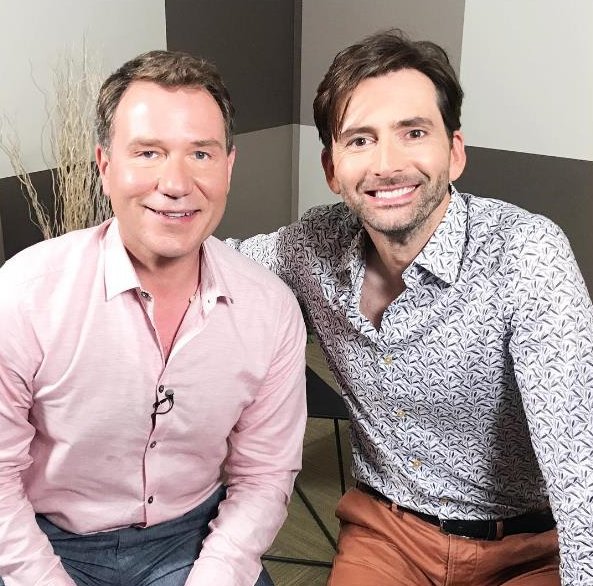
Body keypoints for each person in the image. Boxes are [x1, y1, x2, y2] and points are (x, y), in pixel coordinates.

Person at [228, 29, 593, 585]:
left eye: (413, 132)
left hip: (530, 547)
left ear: (455, 150)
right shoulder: (310, 247)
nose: (387, 164)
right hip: (387, 534)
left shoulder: (526, 254)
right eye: (360, 140)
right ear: (331, 169)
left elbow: (578, 462)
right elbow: (212, 265)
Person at [0, 50, 307, 586]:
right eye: (147, 152)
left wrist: (214, 576)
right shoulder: (25, 294)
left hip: (194, 538)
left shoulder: (270, 309)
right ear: (104, 164)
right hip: (44, 538)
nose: (176, 182)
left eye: (202, 154)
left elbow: (264, 475)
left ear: (229, 167)